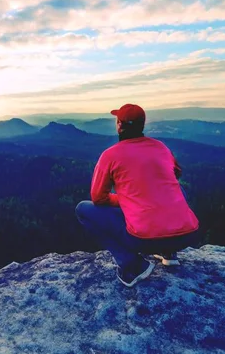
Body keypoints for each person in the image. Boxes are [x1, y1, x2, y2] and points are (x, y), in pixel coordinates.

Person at [76, 103, 200, 287]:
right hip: (188, 236)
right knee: (177, 189)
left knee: (83, 209)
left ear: (119, 125)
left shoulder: (110, 155)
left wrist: (127, 200)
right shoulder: (161, 147)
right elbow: (176, 175)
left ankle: (132, 266)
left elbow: (98, 198)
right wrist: (137, 199)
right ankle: (169, 252)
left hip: (144, 240)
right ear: (143, 125)